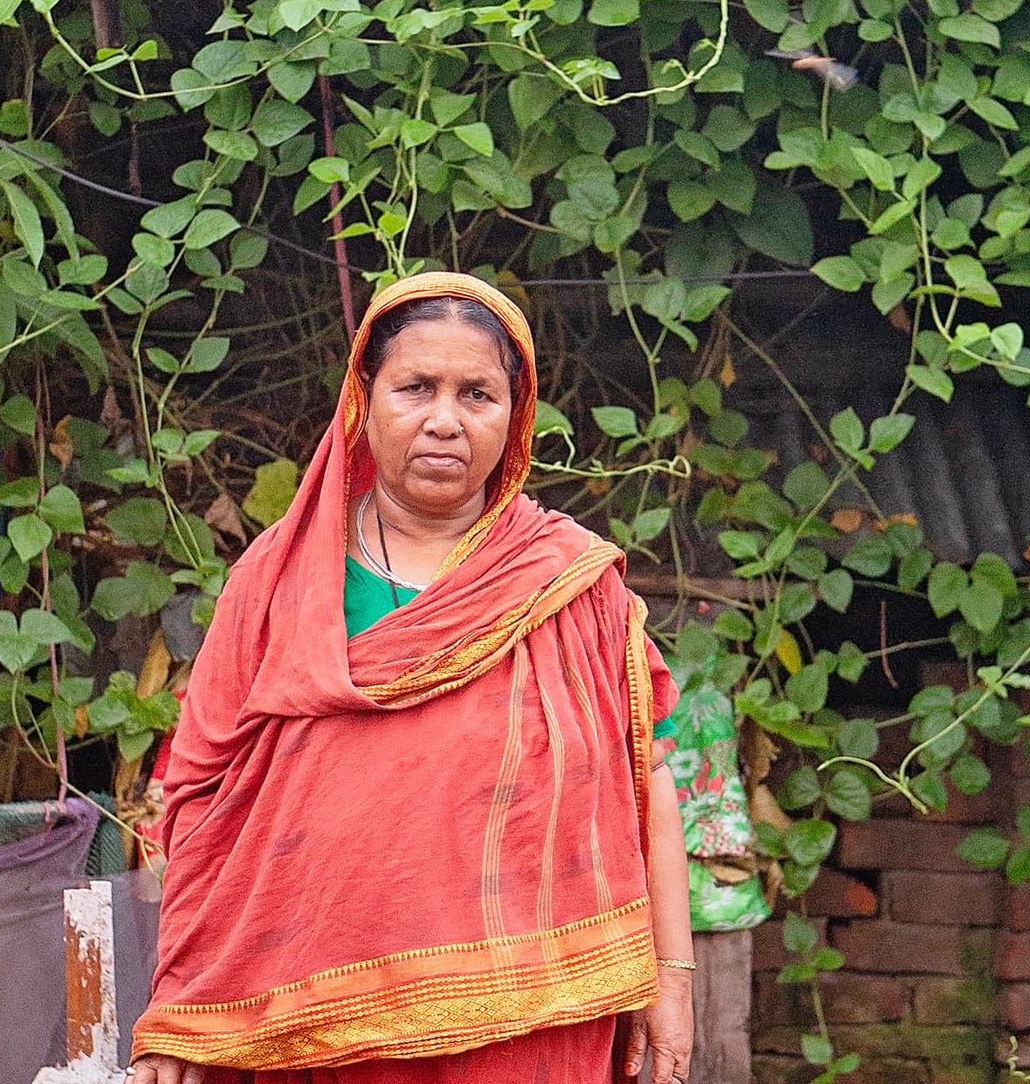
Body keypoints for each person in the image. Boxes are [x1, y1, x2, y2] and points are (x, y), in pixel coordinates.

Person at [124, 272, 695, 1084]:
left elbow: (652, 788)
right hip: (315, 1026)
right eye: (415, 387)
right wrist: (180, 1006)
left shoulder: (572, 583)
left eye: (477, 394)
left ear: (515, 413)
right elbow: (198, 804)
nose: (443, 421)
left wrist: (672, 980)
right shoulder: (279, 580)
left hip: (527, 1026)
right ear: (364, 398)